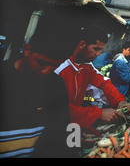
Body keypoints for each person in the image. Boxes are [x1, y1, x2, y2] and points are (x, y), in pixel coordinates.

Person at [0, 24, 77, 158]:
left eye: (55, 66)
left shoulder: (56, 85)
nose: (46, 71)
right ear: (27, 49)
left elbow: (60, 134)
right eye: (41, 63)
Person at [54, 25, 130, 136]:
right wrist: (98, 114)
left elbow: (104, 84)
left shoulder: (87, 67)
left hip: (73, 125)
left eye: (101, 50)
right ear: (82, 44)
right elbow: (58, 109)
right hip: (55, 126)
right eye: (96, 49)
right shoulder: (60, 70)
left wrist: (120, 101)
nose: (98, 54)